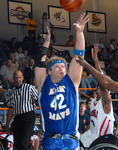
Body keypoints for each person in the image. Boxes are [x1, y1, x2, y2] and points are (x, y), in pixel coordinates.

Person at [35, 13, 89, 149]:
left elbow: (79, 56)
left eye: (63, 66)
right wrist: (46, 43)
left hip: (70, 141)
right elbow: (39, 62)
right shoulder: (44, 84)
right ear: (49, 71)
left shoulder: (71, 82)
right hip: (50, 141)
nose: (61, 68)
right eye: (57, 66)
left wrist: (79, 32)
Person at [80, 44, 115, 148]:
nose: (100, 87)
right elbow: (92, 122)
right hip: (93, 136)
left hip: (104, 139)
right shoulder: (93, 101)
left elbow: (102, 81)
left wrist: (95, 60)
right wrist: (83, 133)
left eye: (102, 86)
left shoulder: (106, 100)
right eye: (98, 86)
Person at [6, 70, 38, 150]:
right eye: (16, 77)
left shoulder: (29, 88)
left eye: (20, 77)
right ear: (13, 78)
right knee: (17, 142)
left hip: (28, 116)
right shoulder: (12, 91)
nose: (18, 79)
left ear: (23, 78)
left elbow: (38, 100)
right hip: (18, 117)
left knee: (24, 142)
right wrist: (7, 125)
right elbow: (10, 109)